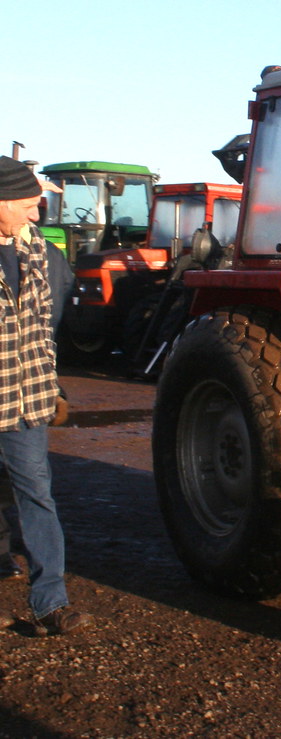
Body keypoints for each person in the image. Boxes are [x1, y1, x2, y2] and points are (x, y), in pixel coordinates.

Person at [0, 156, 92, 635]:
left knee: (37, 494)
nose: (36, 214)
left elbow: (46, 329)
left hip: (26, 399)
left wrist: (54, 386)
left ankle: (50, 604)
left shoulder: (42, 254)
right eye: (27, 205)